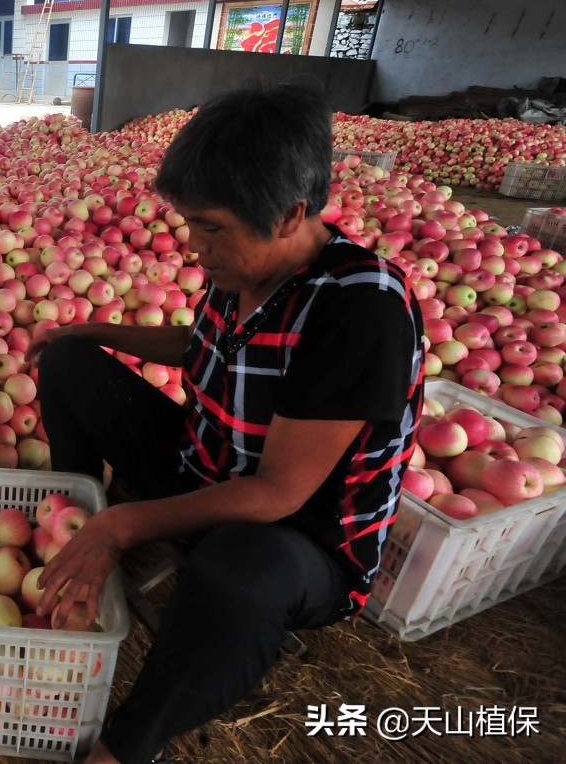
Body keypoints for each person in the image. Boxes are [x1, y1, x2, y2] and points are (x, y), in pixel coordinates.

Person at [30, 83, 424, 764]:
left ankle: (130, 743)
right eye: (192, 223)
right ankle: (74, 521)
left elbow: (278, 496)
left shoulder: (359, 309)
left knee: (237, 565)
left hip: (297, 542)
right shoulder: (245, 265)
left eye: (210, 227)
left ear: (288, 215)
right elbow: (203, 346)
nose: (194, 245)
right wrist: (86, 331)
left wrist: (123, 526)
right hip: (202, 470)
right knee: (68, 362)